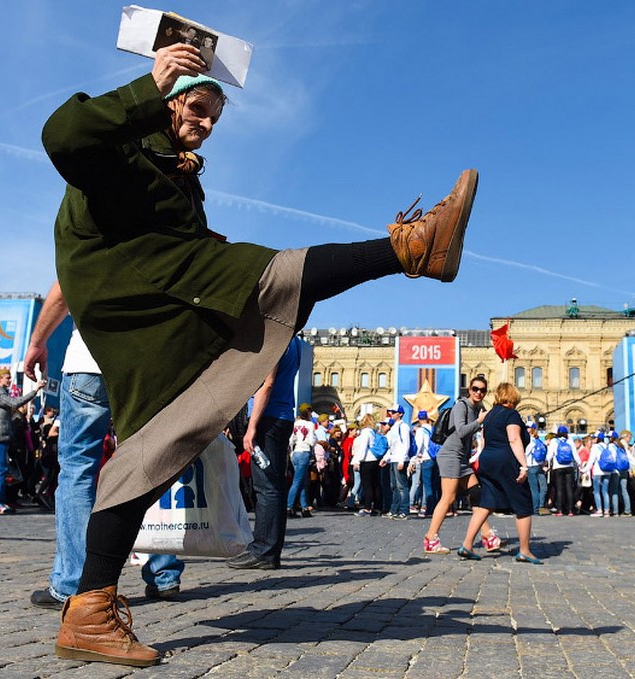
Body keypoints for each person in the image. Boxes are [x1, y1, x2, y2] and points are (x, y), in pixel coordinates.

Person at [44, 42, 477, 667]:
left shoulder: (174, 170)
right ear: (165, 101)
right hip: (141, 305)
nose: (207, 122)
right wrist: (151, 81)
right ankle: (410, 250)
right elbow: (63, 136)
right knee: (272, 274)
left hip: (168, 310)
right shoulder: (118, 153)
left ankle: (87, 611)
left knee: (152, 448)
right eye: (196, 106)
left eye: (216, 114)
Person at [25, 282, 184, 609]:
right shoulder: (169, 234)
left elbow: (62, 292)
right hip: (147, 367)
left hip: (90, 361)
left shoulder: (94, 234)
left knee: (77, 472)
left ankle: (73, 584)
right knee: (148, 468)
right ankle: (163, 572)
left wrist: (38, 342)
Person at [228, 337, 302, 570]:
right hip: (282, 416)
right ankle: (268, 549)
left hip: (268, 419)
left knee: (266, 487)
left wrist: (251, 428)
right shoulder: (295, 341)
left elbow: (267, 384)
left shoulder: (275, 340)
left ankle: (264, 550)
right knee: (275, 487)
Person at [459, 383, 541, 564]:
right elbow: (513, 438)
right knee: (523, 503)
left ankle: (467, 544)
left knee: (486, 502)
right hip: (505, 461)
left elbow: (485, 440)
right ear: (513, 397)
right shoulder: (511, 414)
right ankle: (525, 550)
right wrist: (524, 465)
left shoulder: (490, 415)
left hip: (488, 460)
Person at [423, 375, 495, 555]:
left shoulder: (479, 408)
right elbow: (462, 430)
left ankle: (487, 535)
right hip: (450, 455)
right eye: (475, 389)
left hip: (463, 459)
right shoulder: (461, 406)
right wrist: (479, 421)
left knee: (477, 494)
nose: (478, 393)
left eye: (482, 390)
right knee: (448, 497)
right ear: (469, 390)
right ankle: (431, 538)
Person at [0, 369, 45, 514]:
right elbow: (16, 402)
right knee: (0, 470)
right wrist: (35, 390)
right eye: (7, 378)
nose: (9, 380)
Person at [381, 404, 411, 520]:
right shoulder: (393, 427)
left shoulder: (403, 427)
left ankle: (404, 510)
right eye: (391, 412)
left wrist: (402, 460)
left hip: (400, 459)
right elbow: (392, 446)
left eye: (394, 412)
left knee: (402, 486)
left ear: (401, 414)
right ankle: (394, 510)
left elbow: (405, 444)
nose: (391, 414)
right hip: (393, 459)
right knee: (394, 486)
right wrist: (386, 458)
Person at [288, 404, 316, 518]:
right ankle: (289, 506)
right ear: (308, 412)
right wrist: (314, 441)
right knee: (298, 481)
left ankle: (305, 508)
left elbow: (291, 440)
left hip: (296, 452)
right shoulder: (310, 424)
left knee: (303, 480)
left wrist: (291, 452)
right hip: (304, 451)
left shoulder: (296, 423)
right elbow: (311, 440)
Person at [352, 414, 380, 516]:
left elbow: (363, 448)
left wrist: (358, 461)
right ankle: (377, 507)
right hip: (375, 460)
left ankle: (367, 508)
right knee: (375, 485)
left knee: (367, 485)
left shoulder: (365, 432)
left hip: (367, 460)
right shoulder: (373, 432)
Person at [546, 425, 576, 516]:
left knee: (559, 489)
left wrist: (545, 462)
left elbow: (550, 454)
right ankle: (570, 510)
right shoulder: (570, 441)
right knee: (569, 489)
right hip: (569, 467)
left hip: (558, 467)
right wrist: (579, 465)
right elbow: (575, 455)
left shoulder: (554, 441)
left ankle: (560, 510)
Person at [524, 422, 548, 514]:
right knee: (543, 487)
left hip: (532, 466)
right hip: (539, 466)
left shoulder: (530, 441)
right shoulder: (538, 440)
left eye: (528, 427)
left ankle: (536, 509)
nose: (526, 429)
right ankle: (541, 506)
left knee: (534, 489)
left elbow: (526, 454)